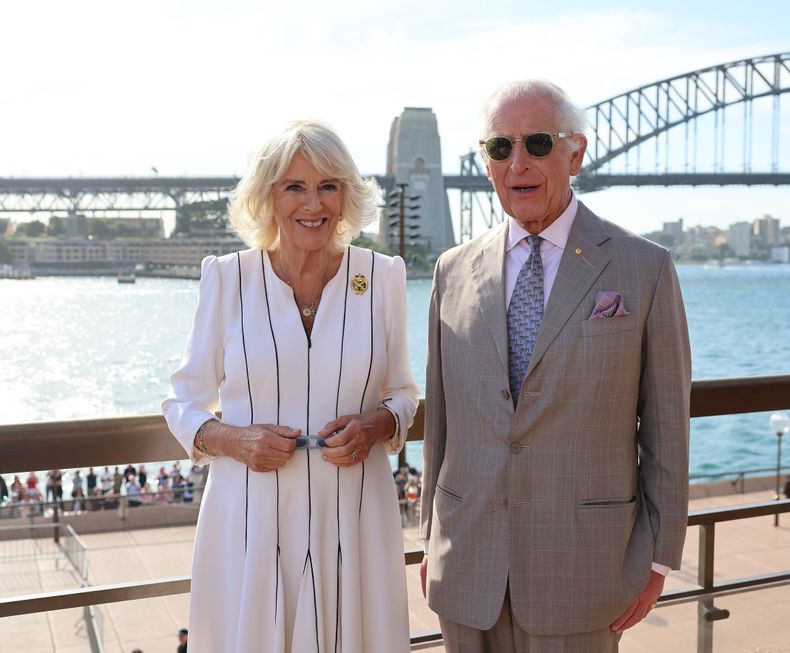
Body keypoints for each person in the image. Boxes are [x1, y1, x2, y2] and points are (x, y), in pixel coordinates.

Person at [421, 80, 692, 652]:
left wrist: (661, 558)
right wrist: (430, 540)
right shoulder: (451, 271)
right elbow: (441, 426)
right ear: (486, 162)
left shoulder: (644, 269)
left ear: (576, 153)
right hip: (467, 567)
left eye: (538, 143)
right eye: (500, 148)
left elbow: (667, 426)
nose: (518, 163)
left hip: (587, 571)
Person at [163, 120, 418, 652]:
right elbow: (183, 400)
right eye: (294, 186)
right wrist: (234, 440)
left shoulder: (381, 278)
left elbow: (403, 394)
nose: (314, 203)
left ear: (346, 195)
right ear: (267, 197)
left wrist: (378, 424)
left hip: (355, 514)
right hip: (250, 517)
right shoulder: (227, 278)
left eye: (328, 186)